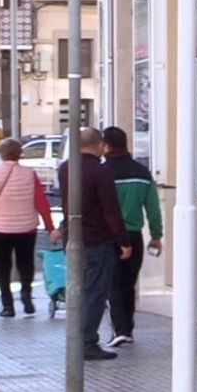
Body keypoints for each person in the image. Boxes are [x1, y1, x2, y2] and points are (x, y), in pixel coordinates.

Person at [55, 127, 131, 361]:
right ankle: (87, 342)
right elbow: (110, 210)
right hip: (98, 239)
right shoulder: (100, 171)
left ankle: (77, 339)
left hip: (74, 239)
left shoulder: (65, 168)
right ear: (99, 145)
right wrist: (123, 241)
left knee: (80, 289)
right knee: (96, 292)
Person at [100, 127, 162, 347]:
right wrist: (156, 235)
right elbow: (153, 208)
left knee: (113, 284)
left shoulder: (103, 172)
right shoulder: (142, 173)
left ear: (106, 145)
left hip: (109, 236)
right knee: (128, 283)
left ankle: (120, 329)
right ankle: (128, 327)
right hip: (134, 236)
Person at [0, 138, 57, 317]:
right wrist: (50, 227)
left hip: (0, 228)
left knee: (3, 266)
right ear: (20, 154)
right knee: (25, 263)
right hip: (26, 228)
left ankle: (8, 305)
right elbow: (41, 203)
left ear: (1, 154)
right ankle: (26, 294)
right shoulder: (29, 174)